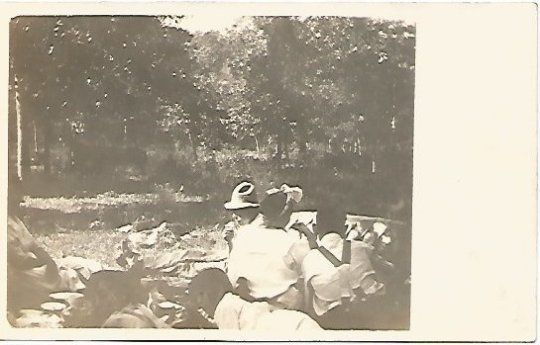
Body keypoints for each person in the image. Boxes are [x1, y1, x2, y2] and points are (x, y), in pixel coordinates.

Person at [301, 207, 385, 329]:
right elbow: (386, 271)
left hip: (331, 322)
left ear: (315, 229)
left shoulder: (309, 259)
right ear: (345, 229)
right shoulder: (363, 248)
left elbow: (307, 303)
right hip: (368, 315)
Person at [225, 183, 303, 310]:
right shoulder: (286, 238)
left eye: (239, 212)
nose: (235, 217)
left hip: (257, 303)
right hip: (281, 302)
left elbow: (235, 278)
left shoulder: (244, 235)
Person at [187, 268, 322, 331]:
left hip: (289, 330)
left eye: (199, 297)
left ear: (208, 294)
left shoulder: (224, 307)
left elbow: (230, 339)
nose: (200, 306)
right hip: (296, 322)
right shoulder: (237, 303)